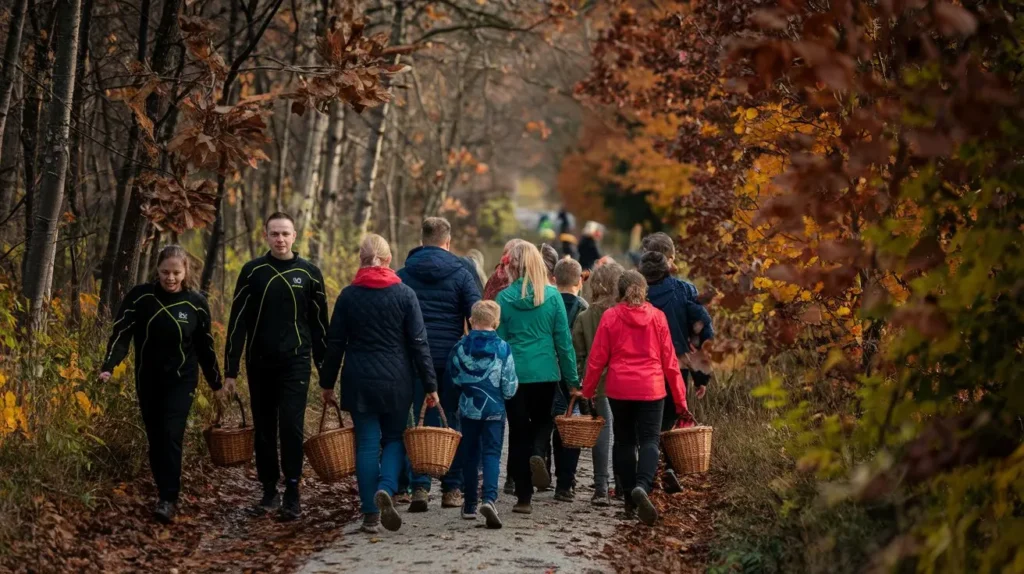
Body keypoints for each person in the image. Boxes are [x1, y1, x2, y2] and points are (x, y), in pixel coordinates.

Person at [320, 234, 439, 534]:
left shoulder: (348, 296)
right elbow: (419, 343)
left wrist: (326, 383)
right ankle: (386, 487)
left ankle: (370, 515)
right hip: (397, 380)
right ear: (388, 260)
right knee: (396, 439)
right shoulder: (405, 294)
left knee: (367, 444)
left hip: (359, 380)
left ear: (361, 259)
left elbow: (334, 343)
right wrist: (430, 384)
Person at [100, 245, 222, 523]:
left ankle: (168, 497)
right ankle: (162, 490)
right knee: (156, 439)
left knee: (171, 434)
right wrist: (108, 367)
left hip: (182, 379)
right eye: (165, 272)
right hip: (148, 379)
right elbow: (121, 335)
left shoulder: (195, 303)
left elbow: (205, 346)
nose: (170, 278)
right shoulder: (141, 297)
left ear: (185, 272)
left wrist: (216, 383)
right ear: (157, 270)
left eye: (176, 272)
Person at [224, 212, 330, 521]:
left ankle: (293, 491)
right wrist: (230, 370)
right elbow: (237, 321)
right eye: (274, 234)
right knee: (265, 428)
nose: (280, 239)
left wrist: (326, 374)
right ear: (265, 237)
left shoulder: (310, 274)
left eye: (285, 233)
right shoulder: (252, 272)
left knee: (291, 427)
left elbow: (320, 326)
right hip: (259, 362)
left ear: (295, 236)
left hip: (296, 362)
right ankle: (269, 489)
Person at [579, 271, 693, 526]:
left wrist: (587, 392)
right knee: (650, 440)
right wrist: (681, 401)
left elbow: (596, 359)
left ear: (619, 292)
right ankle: (643, 485)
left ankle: (630, 497)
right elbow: (670, 364)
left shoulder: (610, 317)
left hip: (619, 388)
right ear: (644, 291)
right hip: (652, 388)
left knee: (624, 441)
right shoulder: (658, 318)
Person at [397, 217, 481, 511]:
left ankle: (419, 486)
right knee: (452, 420)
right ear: (448, 242)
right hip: (451, 357)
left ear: (422, 241)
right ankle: (452, 488)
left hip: (414, 358)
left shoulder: (404, 274)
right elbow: (477, 314)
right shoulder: (462, 272)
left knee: (417, 420)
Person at [496, 242, 578, 515]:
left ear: (513, 266)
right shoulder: (553, 298)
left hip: (515, 375)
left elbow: (500, 342)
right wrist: (572, 380)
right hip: (545, 372)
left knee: (517, 432)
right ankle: (538, 451)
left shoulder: (504, 299)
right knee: (544, 421)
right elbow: (564, 344)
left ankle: (523, 497)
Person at [639, 232, 715, 492]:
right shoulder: (684, 290)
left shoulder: (635, 289)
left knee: (646, 424)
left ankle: (647, 474)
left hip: (641, 367)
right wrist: (701, 375)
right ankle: (666, 469)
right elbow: (701, 330)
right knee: (669, 422)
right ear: (669, 259)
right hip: (677, 367)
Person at [449, 300, 518, 529]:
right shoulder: (503, 348)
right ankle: (489, 499)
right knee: (491, 454)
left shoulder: (460, 347)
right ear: (496, 322)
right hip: (494, 411)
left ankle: (469, 504)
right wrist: (507, 392)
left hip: (468, 410)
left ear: (472, 320)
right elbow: (508, 385)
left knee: (469, 455)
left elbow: (455, 378)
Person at [571, 261, 625, 506]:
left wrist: (586, 379)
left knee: (602, 431)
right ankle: (623, 484)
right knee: (625, 433)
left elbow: (578, 353)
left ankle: (601, 487)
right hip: (625, 382)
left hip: (599, 383)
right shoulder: (624, 314)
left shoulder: (585, 316)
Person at [549, 258, 589, 502]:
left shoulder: (547, 303)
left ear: (554, 280)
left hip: (548, 370)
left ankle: (545, 470)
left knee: (552, 422)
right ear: (580, 281)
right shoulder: (583, 307)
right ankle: (565, 482)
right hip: (574, 373)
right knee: (571, 427)